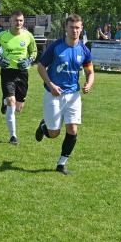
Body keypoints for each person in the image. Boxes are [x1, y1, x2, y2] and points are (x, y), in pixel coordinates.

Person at [35, 14, 94, 175]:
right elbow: (41, 67)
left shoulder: (84, 50)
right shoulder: (56, 46)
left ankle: (61, 164)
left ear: (81, 29)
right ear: (65, 28)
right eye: (71, 27)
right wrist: (51, 84)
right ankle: (44, 126)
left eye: (77, 27)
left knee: (73, 130)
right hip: (54, 94)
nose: (74, 30)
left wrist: (88, 84)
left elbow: (90, 71)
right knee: (54, 133)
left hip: (73, 95)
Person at [0, 10, 38, 145]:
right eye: (16, 20)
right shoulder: (1, 36)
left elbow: (34, 52)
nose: (18, 23)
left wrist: (29, 61)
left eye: (21, 20)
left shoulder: (28, 36)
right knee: (12, 101)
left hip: (22, 73)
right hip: (7, 72)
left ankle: (4, 101)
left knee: (18, 108)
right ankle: (13, 137)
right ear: (10, 21)